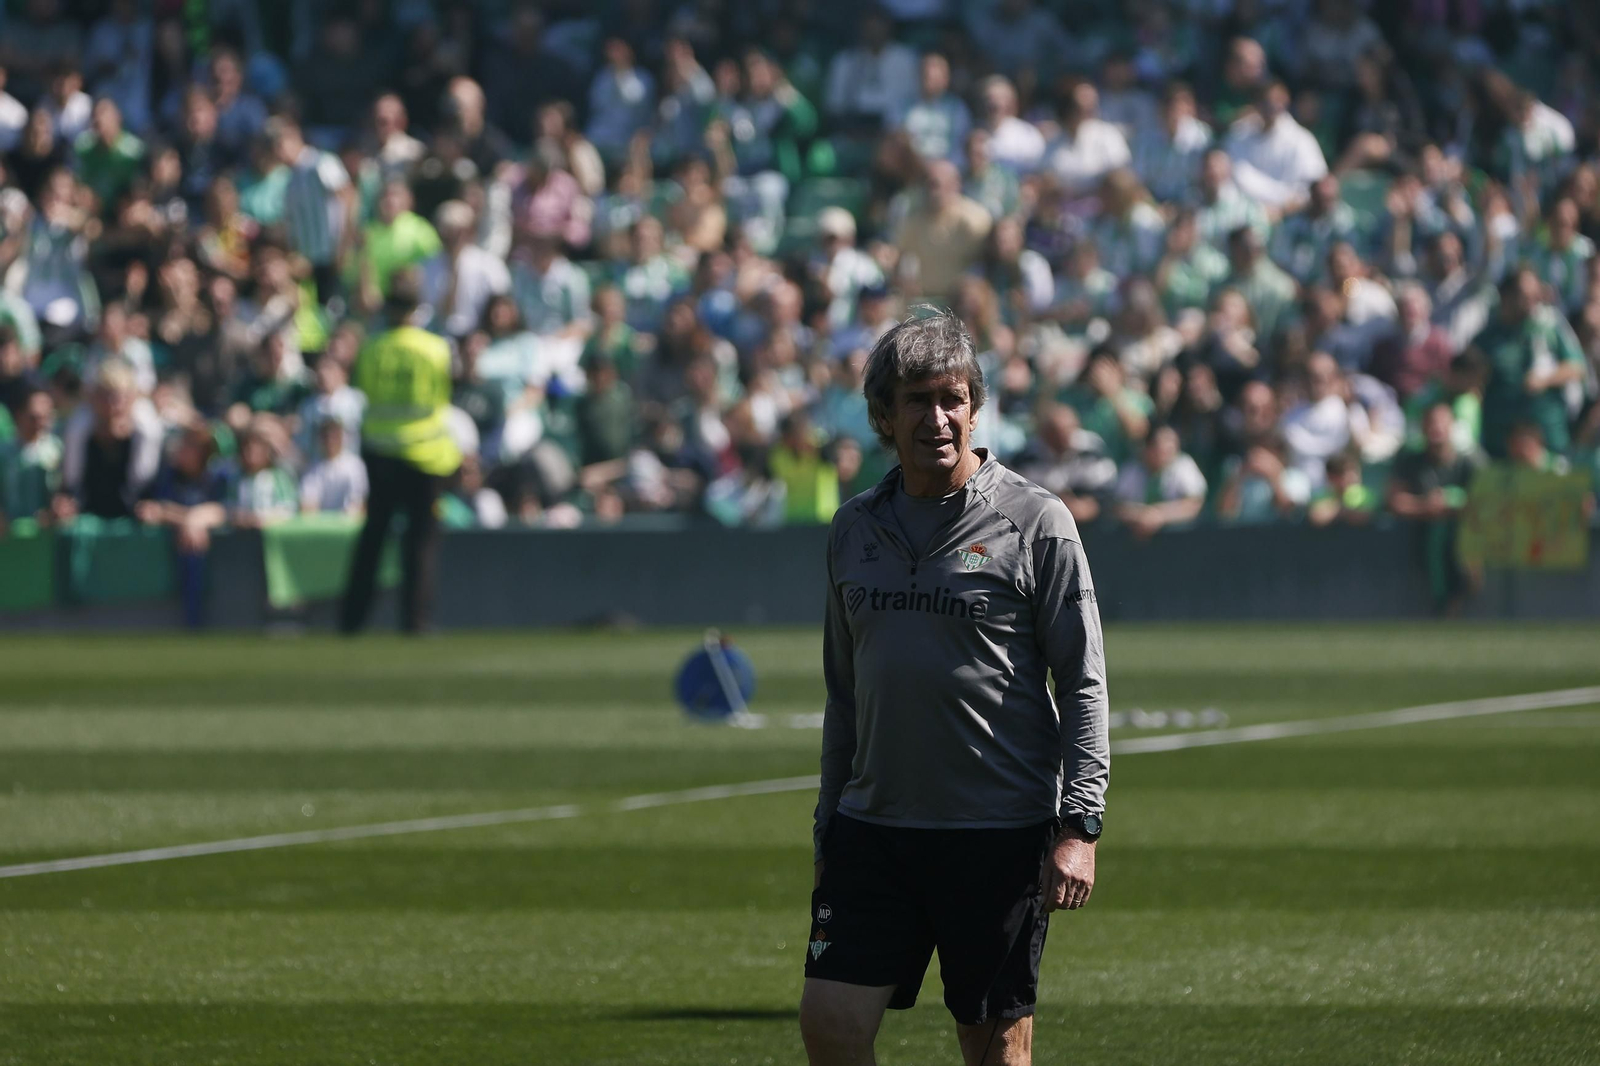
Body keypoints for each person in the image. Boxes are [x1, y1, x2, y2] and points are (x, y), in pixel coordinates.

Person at [801, 309, 1108, 1066]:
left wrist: (1081, 826)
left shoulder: (1037, 521)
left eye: (953, 398)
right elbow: (844, 694)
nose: (938, 418)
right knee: (830, 1024)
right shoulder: (853, 529)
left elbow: (1083, 683)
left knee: (993, 1046)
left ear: (975, 406)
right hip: (874, 828)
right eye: (917, 399)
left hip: (996, 832)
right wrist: (828, 819)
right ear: (882, 415)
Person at [340, 268, 461, 634]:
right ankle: (415, 622)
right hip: (426, 457)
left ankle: (352, 622)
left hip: (380, 454)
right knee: (420, 544)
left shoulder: (372, 348)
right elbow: (444, 394)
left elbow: (364, 391)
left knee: (372, 540)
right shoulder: (435, 348)